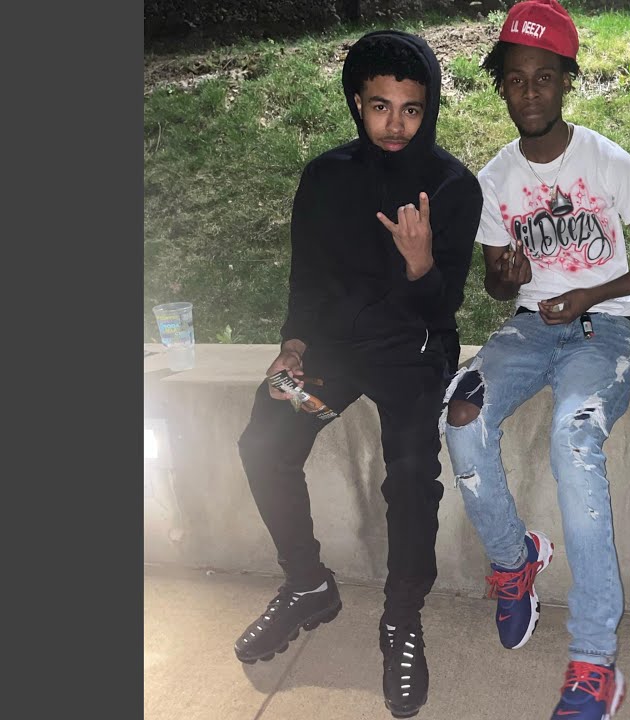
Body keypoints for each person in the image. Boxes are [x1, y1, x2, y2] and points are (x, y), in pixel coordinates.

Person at [441, 2, 630, 718]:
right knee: (461, 413)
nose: (530, 93)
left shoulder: (605, 160)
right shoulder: (495, 179)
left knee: (573, 440)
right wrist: (506, 276)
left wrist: (593, 293)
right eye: (516, 80)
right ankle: (514, 560)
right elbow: (495, 283)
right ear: (502, 86)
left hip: (602, 332)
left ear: (566, 81)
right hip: (528, 331)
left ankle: (594, 660)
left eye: (544, 78)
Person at [233, 29, 483, 719]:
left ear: (429, 108)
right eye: (380, 107)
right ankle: (308, 585)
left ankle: (401, 616)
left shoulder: (454, 187)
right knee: (266, 439)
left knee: (410, 471)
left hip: (413, 352)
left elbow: (442, 307)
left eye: (411, 109)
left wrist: (420, 264)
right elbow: (307, 278)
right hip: (333, 357)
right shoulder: (325, 177)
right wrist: (294, 345)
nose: (395, 125)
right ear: (357, 103)